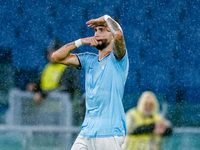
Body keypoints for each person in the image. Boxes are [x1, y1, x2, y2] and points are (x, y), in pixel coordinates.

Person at [51, 15, 129, 150]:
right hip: (87, 131)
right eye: (96, 30)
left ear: (111, 36)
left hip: (110, 132)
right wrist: (81, 41)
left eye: (103, 30)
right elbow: (56, 57)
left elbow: (118, 34)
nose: (97, 34)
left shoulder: (118, 60)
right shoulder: (89, 60)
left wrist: (106, 18)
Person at [26, 39, 81, 104]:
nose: (50, 55)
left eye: (53, 52)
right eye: (49, 53)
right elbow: (41, 85)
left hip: (63, 107)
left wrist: (43, 94)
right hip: (49, 106)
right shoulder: (47, 67)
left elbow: (65, 89)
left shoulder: (69, 67)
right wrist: (34, 87)